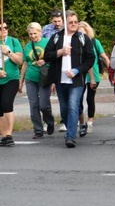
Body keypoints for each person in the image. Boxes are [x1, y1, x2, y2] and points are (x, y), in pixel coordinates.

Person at [43, 10, 95, 148]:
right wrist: (60, 52)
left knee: (72, 106)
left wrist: (77, 70)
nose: (73, 24)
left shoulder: (83, 38)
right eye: (70, 22)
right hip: (60, 80)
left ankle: (70, 136)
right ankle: (72, 124)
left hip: (77, 81)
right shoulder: (56, 38)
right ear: (65, 23)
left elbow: (90, 59)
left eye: (75, 22)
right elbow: (47, 56)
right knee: (65, 109)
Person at [20, 22, 55, 138]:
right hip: (31, 78)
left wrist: (45, 62)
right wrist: (21, 81)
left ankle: (49, 121)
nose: (33, 36)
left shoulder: (47, 43)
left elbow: (54, 60)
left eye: (35, 33)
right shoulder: (28, 46)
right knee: (33, 104)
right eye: (30, 34)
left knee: (43, 105)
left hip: (44, 78)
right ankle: (38, 130)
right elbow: (25, 63)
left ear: (40, 32)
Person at [76, 21, 109, 135]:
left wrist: (112, 71)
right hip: (79, 74)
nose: (80, 34)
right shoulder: (75, 43)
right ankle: (81, 122)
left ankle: (90, 121)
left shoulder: (94, 42)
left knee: (90, 99)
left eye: (82, 32)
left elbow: (103, 56)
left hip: (93, 75)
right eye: (78, 32)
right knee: (78, 99)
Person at [0, 21, 24, 147]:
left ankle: (9, 135)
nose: (3, 30)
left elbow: (19, 61)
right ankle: (3, 135)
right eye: (0, 28)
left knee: (6, 103)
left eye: (5, 28)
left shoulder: (14, 41)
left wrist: (9, 52)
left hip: (11, 79)